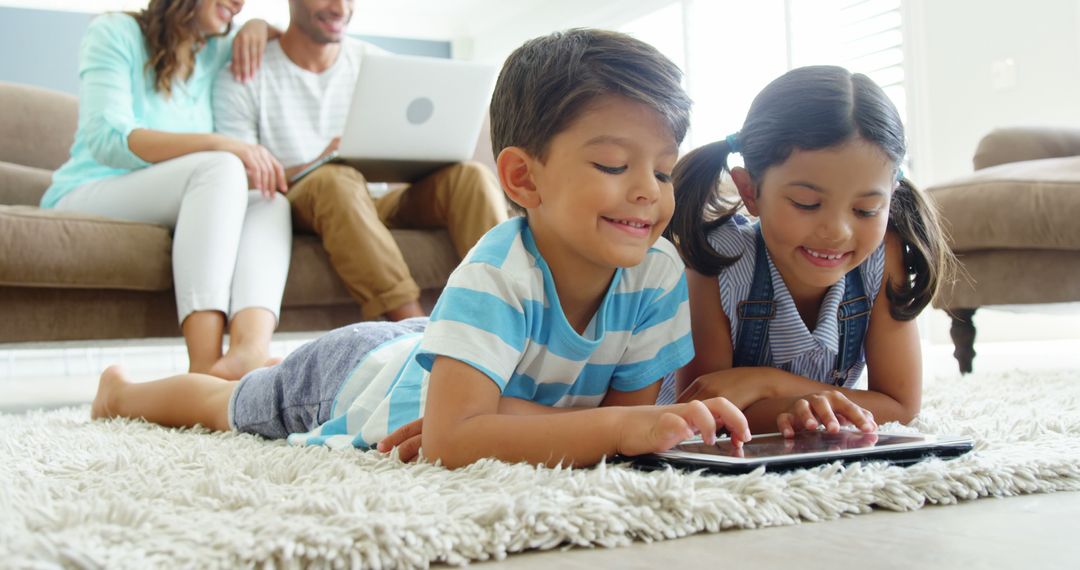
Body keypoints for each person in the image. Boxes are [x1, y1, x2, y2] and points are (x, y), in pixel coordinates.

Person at [90, 28, 752, 469]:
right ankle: (122, 394)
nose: (648, 193)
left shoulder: (657, 273)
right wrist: (481, 424)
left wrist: (502, 421)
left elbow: (616, 428)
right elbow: (468, 438)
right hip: (358, 376)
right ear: (523, 178)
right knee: (229, 405)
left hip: (433, 353)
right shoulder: (497, 274)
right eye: (613, 166)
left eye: (663, 171)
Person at [661, 65, 954, 438]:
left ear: (890, 199)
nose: (837, 231)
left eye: (866, 210)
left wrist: (766, 383)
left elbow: (900, 406)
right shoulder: (718, 262)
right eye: (806, 203)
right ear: (750, 191)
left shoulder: (884, 255)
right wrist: (805, 405)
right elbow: (709, 411)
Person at [40, 0, 293, 380]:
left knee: (269, 200)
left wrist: (257, 24)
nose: (240, 3)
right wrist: (220, 143)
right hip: (92, 188)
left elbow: (285, 33)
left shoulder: (214, 50)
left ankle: (248, 354)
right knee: (222, 166)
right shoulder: (114, 32)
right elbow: (108, 138)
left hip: (173, 194)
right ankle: (204, 370)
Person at [212, 0, 508, 322]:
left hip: (373, 200)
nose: (340, 7)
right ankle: (413, 330)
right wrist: (322, 160)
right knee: (336, 178)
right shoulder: (245, 73)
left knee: (470, 176)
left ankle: (505, 318)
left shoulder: (377, 63)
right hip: (297, 201)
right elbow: (242, 178)